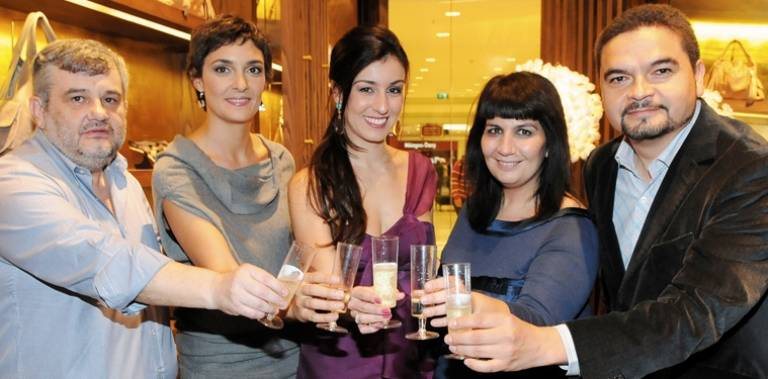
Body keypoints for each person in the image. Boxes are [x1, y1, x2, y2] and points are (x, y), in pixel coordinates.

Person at [437, 4, 768, 379]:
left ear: (698, 75)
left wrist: (542, 343)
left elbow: (695, 310)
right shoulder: (602, 166)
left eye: (661, 71)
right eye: (619, 78)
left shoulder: (749, 168)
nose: (640, 92)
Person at [0, 38, 290, 378]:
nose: (98, 112)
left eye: (110, 99)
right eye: (77, 98)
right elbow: (108, 263)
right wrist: (219, 288)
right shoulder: (13, 185)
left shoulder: (125, 183)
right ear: (39, 111)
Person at [423, 72, 599, 378]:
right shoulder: (473, 213)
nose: (505, 147)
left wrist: (469, 303)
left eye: (524, 132)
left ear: (549, 144)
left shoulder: (571, 227)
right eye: (494, 130)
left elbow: (537, 321)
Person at [151, 15, 299, 378]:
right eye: (222, 68)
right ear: (198, 80)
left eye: (253, 69)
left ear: (266, 79)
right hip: (221, 363)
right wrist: (305, 299)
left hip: (294, 353)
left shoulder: (282, 160)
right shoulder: (177, 169)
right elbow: (227, 278)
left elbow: (302, 257)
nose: (240, 84)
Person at [287, 25, 439, 378]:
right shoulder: (310, 184)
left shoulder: (421, 171)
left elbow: (425, 272)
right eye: (367, 89)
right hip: (341, 362)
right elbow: (328, 290)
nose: (383, 106)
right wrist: (349, 302)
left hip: (411, 359)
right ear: (339, 93)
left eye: (394, 90)